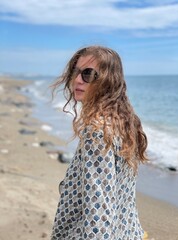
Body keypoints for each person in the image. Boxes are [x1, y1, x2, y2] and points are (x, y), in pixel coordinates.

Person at [51, 45, 148, 240]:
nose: (78, 80)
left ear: (107, 81)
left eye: (88, 74)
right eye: (75, 72)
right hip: (126, 233)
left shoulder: (96, 131)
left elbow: (99, 208)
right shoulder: (123, 122)